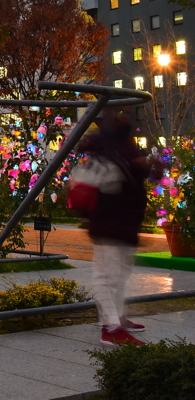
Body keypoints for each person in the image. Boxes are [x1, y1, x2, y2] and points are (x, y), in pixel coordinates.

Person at [78, 107, 153, 346]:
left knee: (118, 275)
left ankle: (116, 319)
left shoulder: (117, 146)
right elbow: (109, 186)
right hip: (112, 223)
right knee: (107, 276)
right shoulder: (109, 152)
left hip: (120, 223)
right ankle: (110, 326)